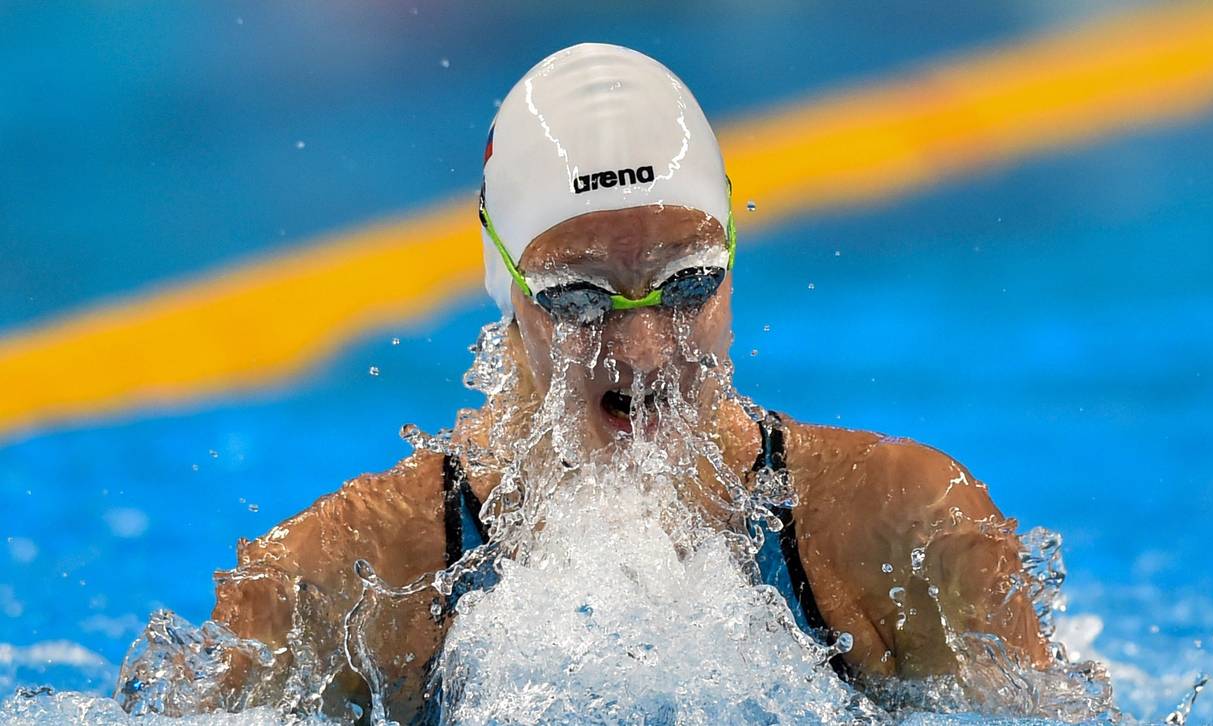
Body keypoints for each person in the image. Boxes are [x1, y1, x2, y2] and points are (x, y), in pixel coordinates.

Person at [201, 43, 1049, 722]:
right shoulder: (343, 584)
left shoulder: (903, 533)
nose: (644, 351)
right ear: (507, 293)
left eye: (687, 283)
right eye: (579, 297)